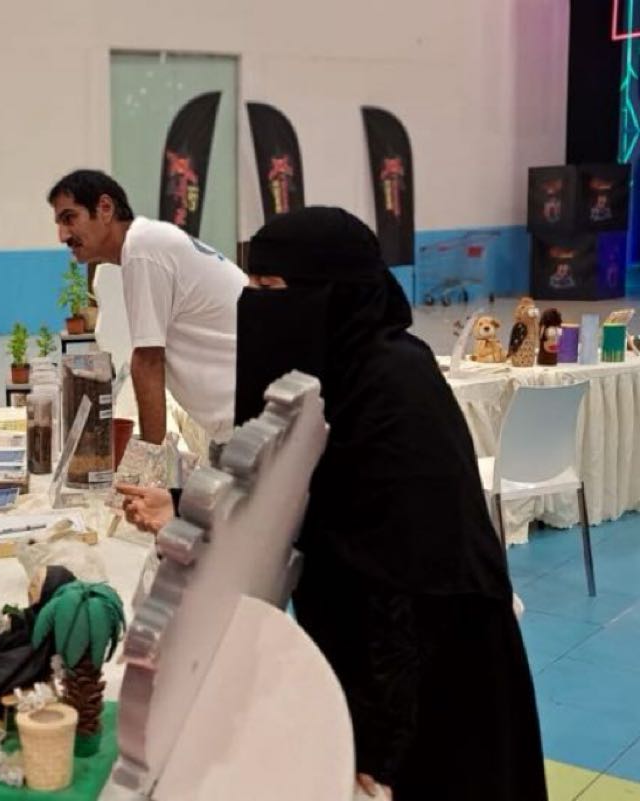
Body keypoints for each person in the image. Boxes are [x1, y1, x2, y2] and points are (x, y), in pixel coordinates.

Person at [119, 207, 547, 801]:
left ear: (332, 291)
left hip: (438, 673)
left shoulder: (394, 387)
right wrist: (183, 503)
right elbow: (291, 488)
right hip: (373, 663)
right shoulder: (339, 372)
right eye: (250, 286)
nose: (255, 306)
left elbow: (403, 580)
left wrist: (378, 740)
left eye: (271, 288)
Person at [47, 169, 246, 454]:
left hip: (247, 425)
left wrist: (152, 463)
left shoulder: (142, 249)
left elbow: (148, 361)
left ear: (105, 208)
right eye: (59, 223)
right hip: (243, 418)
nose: (63, 235)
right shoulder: (148, 243)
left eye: (69, 218)